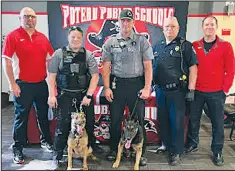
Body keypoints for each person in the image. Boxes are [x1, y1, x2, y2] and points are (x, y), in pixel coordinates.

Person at [2, 7, 54, 164]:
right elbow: (7, 61)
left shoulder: (43, 38)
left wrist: (52, 82)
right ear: (20, 19)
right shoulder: (13, 37)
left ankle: (46, 141)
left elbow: (50, 59)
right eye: (26, 17)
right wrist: (12, 84)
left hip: (40, 84)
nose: (30, 19)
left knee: (43, 115)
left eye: (32, 17)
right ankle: (18, 148)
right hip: (22, 85)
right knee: (21, 118)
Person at [101, 9, 153, 166]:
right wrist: (107, 87)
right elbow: (106, 66)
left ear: (133, 22)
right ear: (118, 22)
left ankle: (140, 153)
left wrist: (147, 87)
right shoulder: (110, 42)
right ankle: (114, 150)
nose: (125, 23)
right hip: (117, 85)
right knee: (115, 120)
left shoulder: (142, 41)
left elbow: (148, 66)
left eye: (128, 20)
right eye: (122, 20)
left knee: (139, 120)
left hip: (137, 86)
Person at [47, 26, 104, 170]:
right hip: (65, 95)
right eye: (73, 37)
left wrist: (89, 95)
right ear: (68, 37)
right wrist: (51, 95)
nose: (76, 39)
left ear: (82, 38)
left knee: (89, 124)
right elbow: (51, 75)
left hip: (83, 95)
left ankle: (89, 149)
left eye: (79, 37)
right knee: (63, 125)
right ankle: (58, 155)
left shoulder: (88, 55)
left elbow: (95, 76)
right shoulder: (59, 54)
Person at [185, 16, 235, 166]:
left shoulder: (226, 46)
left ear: (216, 27)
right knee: (194, 120)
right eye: (207, 24)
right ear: (203, 27)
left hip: (216, 93)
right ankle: (193, 143)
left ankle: (217, 150)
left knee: (218, 123)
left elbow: (231, 70)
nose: (209, 27)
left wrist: (224, 90)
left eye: (212, 25)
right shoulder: (195, 45)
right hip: (197, 91)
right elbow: (190, 68)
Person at [152, 16, 198, 166]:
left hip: (177, 92)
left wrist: (191, 88)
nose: (169, 29)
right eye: (167, 27)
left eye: (173, 27)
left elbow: (193, 67)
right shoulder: (157, 46)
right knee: (163, 120)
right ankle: (165, 145)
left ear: (178, 29)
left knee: (177, 122)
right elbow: (153, 67)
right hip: (160, 91)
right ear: (163, 29)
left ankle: (176, 151)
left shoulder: (185, 45)